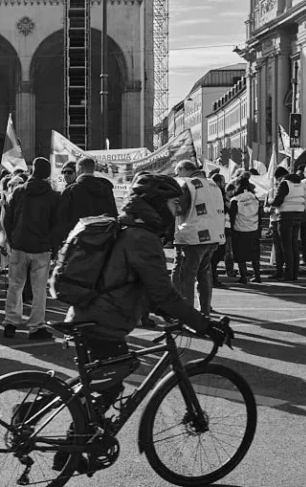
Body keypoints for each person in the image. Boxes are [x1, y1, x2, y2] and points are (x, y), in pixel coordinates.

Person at [62, 174, 234, 425]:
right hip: (101, 321)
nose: (178, 212)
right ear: (158, 203)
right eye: (175, 205)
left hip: (93, 316)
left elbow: (141, 287)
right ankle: (72, 443)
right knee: (110, 382)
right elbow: (163, 294)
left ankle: (78, 439)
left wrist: (170, 314)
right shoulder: (142, 238)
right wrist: (205, 325)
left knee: (103, 383)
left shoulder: (130, 228)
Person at [1, 157, 58, 340]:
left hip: (20, 245)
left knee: (15, 286)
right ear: (48, 174)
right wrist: (54, 246)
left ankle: (10, 322)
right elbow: (56, 224)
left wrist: (11, 239)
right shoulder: (53, 196)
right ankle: (36, 326)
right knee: (39, 289)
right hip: (41, 247)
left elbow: (7, 218)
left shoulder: (18, 192)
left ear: (33, 171)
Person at [172, 159, 225, 313]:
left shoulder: (188, 184)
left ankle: (186, 313)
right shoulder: (213, 184)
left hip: (193, 235)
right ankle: (205, 310)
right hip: (213, 235)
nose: (178, 176)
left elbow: (180, 209)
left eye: (178, 173)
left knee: (186, 275)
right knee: (204, 273)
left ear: (183, 169)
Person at [54, 157, 117, 243]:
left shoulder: (71, 190)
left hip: (78, 242)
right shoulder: (106, 189)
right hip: (103, 242)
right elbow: (114, 215)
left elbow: (61, 220)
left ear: (80, 169)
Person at [268, 166, 305, 281]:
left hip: (285, 217)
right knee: (294, 246)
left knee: (286, 247)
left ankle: (288, 274)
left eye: (277, 179)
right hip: (298, 216)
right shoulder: (300, 183)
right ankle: (294, 273)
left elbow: (278, 201)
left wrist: (270, 202)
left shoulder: (285, 184)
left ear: (280, 177)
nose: (277, 182)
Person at [228, 179, 262, 284]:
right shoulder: (254, 198)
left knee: (240, 255)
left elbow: (232, 218)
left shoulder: (235, 200)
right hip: (253, 229)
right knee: (255, 255)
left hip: (240, 231)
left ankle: (243, 277)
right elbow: (260, 215)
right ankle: (257, 276)